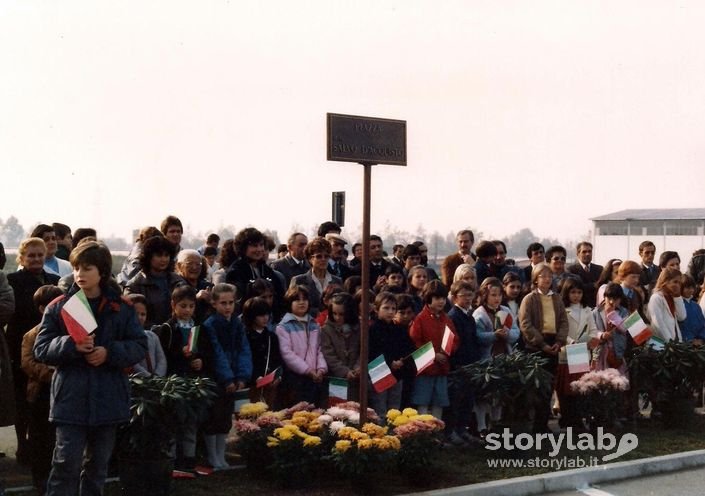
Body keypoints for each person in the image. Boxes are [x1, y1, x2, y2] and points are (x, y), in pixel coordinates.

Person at [33, 241, 147, 496]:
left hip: (109, 399)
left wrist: (110, 353)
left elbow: (139, 345)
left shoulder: (123, 308)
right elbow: (40, 349)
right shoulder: (59, 306)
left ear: (102, 272)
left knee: (97, 469)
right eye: (76, 268)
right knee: (66, 466)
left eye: (87, 268)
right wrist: (71, 344)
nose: (79, 274)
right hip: (71, 401)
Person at [6, 237, 60, 463]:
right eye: (31, 255)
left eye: (40, 254)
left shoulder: (55, 279)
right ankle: (23, 445)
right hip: (20, 343)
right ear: (22, 258)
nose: (36, 259)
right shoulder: (14, 280)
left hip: (49, 343)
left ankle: (44, 445)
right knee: (22, 397)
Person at [150, 285, 213, 471]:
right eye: (183, 306)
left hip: (194, 381)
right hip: (174, 381)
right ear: (173, 305)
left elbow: (208, 351)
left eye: (191, 306)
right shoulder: (168, 328)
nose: (187, 310)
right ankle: (171, 459)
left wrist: (200, 361)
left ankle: (189, 458)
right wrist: (180, 354)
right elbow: (163, 355)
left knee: (191, 421)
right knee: (173, 421)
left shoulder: (198, 327)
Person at [202, 283, 252, 469]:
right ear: (214, 304)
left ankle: (221, 454)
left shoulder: (237, 324)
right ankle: (212, 455)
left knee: (224, 418)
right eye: (223, 303)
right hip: (217, 378)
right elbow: (216, 353)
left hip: (232, 378)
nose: (227, 306)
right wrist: (227, 378)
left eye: (231, 302)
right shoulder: (210, 325)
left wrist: (241, 376)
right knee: (213, 417)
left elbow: (243, 350)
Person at [21, 285, 63, 493]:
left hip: (63, 392)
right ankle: (40, 478)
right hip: (41, 394)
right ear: (41, 309)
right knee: (40, 438)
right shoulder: (32, 335)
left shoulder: (66, 332)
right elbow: (28, 363)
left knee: (59, 439)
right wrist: (51, 373)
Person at [518, 262, 568, 433]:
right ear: (535, 279)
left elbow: (563, 321)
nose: (547, 279)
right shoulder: (529, 299)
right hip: (536, 346)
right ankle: (533, 426)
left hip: (554, 344)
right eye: (543, 276)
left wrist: (559, 341)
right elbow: (525, 324)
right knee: (536, 388)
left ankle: (543, 424)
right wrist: (542, 344)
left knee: (549, 388)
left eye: (549, 276)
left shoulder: (556, 298)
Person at [473, 277, 520, 436]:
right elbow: (477, 336)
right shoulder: (479, 313)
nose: (497, 298)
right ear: (485, 295)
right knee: (483, 394)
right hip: (486, 359)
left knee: (499, 393)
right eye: (493, 295)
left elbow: (516, 332)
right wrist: (493, 335)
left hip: (503, 357)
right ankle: (481, 426)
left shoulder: (506, 311)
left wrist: (507, 335)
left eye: (499, 295)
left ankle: (496, 423)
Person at [409, 280, 458, 419]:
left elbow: (454, 340)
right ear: (428, 298)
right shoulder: (419, 319)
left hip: (442, 368)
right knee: (422, 402)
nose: (441, 301)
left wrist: (445, 353)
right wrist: (433, 355)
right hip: (425, 369)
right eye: (437, 298)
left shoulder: (447, 319)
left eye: (443, 298)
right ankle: (423, 432)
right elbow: (415, 342)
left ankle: (437, 432)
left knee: (439, 402)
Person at [555, 277, 597, 429]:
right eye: (573, 292)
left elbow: (593, 330)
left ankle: (577, 420)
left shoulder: (587, 311)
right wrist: (571, 341)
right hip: (566, 352)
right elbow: (560, 330)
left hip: (581, 353)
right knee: (566, 390)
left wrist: (589, 341)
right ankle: (567, 418)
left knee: (579, 390)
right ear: (567, 293)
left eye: (579, 292)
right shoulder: (562, 309)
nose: (576, 295)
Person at [275, 285, 328, 407]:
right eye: (297, 299)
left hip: (315, 377)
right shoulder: (283, 327)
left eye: (304, 299)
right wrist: (307, 370)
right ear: (289, 302)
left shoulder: (314, 325)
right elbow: (287, 354)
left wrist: (321, 369)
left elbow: (320, 349)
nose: (301, 302)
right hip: (295, 378)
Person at [367, 292, 415, 417]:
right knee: (380, 410)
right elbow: (373, 351)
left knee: (394, 411)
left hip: (397, 374)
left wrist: (401, 361)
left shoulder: (398, 329)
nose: (390, 312)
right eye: (386, 308)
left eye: (393, 308)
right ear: (376, 309)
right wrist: (389, 362)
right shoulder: (372, 329)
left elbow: (407, 348)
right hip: (379, 373)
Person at [124, 235, 187, 327]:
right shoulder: (134, 286)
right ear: (149, 257)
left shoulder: (178, 282)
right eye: (159, 255)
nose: (164, 259)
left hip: (176, 334)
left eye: (166, 255)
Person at [446, 281, 480, 444]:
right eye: (463, 295)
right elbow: (453, 344)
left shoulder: (469, 316)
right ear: (454, 298)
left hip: (471, 364)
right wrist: (458, 364)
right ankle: (452, 431)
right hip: (459, 366)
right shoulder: (453, 317)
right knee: (456, 402)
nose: (468, 298)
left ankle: (462, 429)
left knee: (468, 400)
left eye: (470, 295)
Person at [226, 227, 285, 317]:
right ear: (243, 248)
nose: (259, 249)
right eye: (254, 246)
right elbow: (237, 303)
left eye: (261, 245)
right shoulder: (235, 271)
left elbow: (279, 297)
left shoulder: (267, 270)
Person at [321, 292, 360, 402]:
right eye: (334, 313)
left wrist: (358, 368)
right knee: (337, 408)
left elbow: (363, 350)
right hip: (336, 377)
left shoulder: (360, 328)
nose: (337, 317)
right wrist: (344, 371)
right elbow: (328, 354)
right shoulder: (326, 330)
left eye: (342, 314)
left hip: (356, 377)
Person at [242, 296, 282, 406]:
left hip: (270, 384)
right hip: (252, 384)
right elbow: (245, 359)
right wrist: (256, 377)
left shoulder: (271, 336)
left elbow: (277, 358)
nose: (265, 318)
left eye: (267, 314)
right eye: (261, 315)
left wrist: (278, 376)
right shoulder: (245, 336)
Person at [291, 237, 342, 317]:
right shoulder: (299, 280)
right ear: (310, 259)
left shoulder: (337, 281)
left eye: (326, 256)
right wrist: (319, 312)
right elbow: (292, 307)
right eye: (319, 256)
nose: (323, 259)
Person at [592, 282, 629, 375]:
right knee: (601, 379)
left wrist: (612, 314)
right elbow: (591, 330)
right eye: (609, 298)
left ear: (620, 299)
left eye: (615, 299)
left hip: (617, 351)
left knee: (618, 379)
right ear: (604, 297)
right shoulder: (596, 312)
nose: (612, 302)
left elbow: (625, 328)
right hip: (601, 351)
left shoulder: (624, 312)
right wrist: (601, 335)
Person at [126, 294, 167, 377]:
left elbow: (161, 359)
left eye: (143, 314)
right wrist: (148, 376)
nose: (140, 317)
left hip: (156, 382)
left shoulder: (152, 336)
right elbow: (133, 363)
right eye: (136, 314)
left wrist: (157, 376)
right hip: (137, 381)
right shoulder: (125, 338)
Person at [175, 249, 213, 323]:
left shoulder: (207, 286)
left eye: (198, 264)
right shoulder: (176, 285)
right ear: (179, 266)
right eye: (189, 264)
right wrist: (195, 298)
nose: (194, 267)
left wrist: (212, 301)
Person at [648, 268, 686, 342]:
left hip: (676, 341)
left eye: (679, 283)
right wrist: (669, 342)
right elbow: (658, 324)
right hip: (663, 343)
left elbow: (682, 317)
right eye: (675, 282)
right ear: (665, 281)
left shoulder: (672, 297)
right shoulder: (656, 298)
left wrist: (678, 297)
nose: (678, 285)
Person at [566, 242, 603, 308]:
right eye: (584, 252)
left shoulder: (599, 269)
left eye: (589, 251)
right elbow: (574, 288)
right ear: (578, 254)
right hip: (580, 307)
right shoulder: (571, 270)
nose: (587, 254)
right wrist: (593, 285)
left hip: (597, 308)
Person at [679, 274, 705, 345]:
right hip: (686, 345)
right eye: (687, 288)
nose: (690, 290)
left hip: (700, 343)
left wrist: (701, 338)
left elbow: (703, 324)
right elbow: (681, 326)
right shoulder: (679, 305)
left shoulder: (696, 305)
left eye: (692, 287)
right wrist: (691, 340)